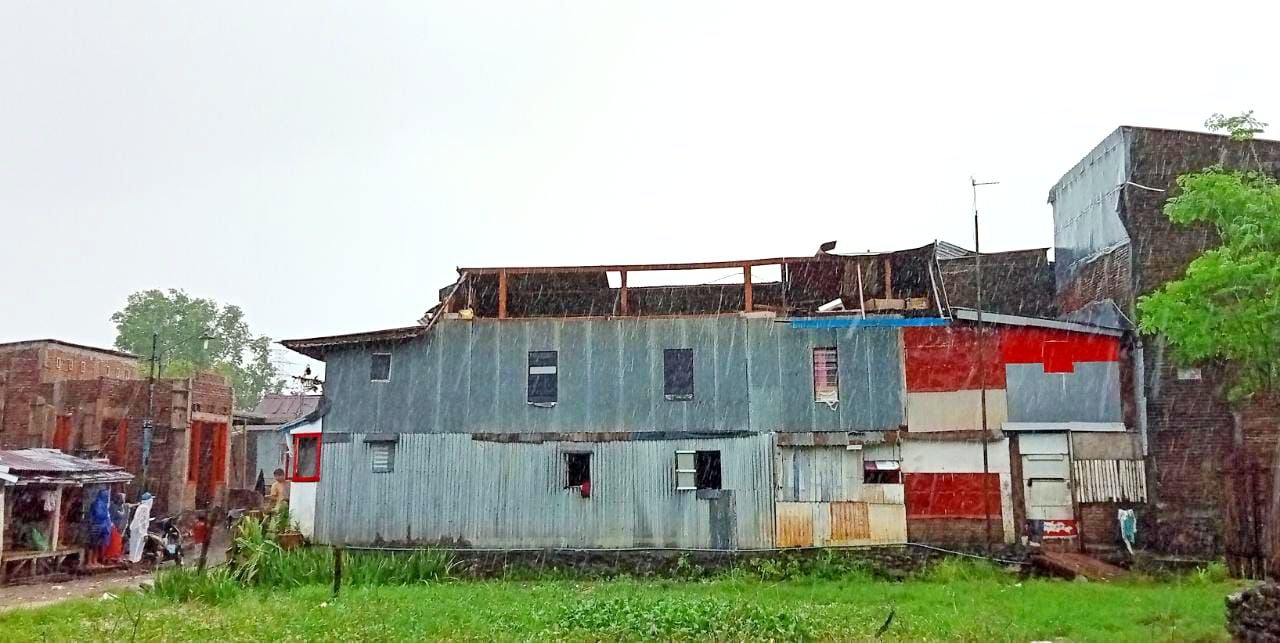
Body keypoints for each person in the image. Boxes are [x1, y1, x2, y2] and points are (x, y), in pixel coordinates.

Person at [86, 490, 113, 568]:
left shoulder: (103, 504)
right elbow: (100, 515)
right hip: (96, 526)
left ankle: (94, 561)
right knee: (92, 545)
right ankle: (89, 562)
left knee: (97, 545)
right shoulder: (98, 504)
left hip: (101, 527)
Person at [127, 492, 153, 564]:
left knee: (134, 547)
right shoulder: (145, 508)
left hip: (136, 529)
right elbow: (142, 522)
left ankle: (133, 561)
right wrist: (144, 533)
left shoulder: (142, 507)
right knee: (137, 548)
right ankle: (135, 563)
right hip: (139, 531)